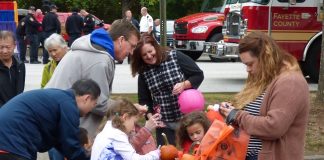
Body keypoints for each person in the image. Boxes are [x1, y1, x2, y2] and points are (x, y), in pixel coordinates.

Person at [218, 31, 310, 160]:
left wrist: (237, 115)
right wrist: (230, 110)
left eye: (250, 64)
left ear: (265, 57)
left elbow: (274, 127)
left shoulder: (291, 82)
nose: (248, 70)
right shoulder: (263, 77)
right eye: (245, 65)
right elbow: (252, 115)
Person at [45, 19, 140, 139]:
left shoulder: (95, 49)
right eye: (132, 46)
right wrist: (129, 108)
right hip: (67, 131)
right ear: (121, 40)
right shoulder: (100, 59)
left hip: (56, 124)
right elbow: (98, 103)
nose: (132, 52)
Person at [130, 34, 204, 146]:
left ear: (156, 47)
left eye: (150, 51)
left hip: (188, 120)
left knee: (194, 152)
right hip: (164, 123)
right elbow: (144, 100)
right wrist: (151, 117)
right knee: (166, 154)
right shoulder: (144, 73)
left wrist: (184, 85)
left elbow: (198, 75)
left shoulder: (175, 56)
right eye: (144, 55)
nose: (149, 56)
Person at [0, 79, 101, 160]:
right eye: (94, 104)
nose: (92, 109)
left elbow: (62, 142)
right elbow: (70, 142)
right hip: (12, 142)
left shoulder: (58, 98)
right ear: (87, 98)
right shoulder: (69, 104)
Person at [91, 98, 160, 160]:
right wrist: (156, 154)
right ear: (125, 117)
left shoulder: (104, 133)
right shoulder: (117, 135)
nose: (133, 127)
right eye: (133, 122)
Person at [0, 30, 25, 107]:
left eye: (8, 47)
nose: (4, 51)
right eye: (1, 47)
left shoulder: (20, 66)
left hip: (15, 109)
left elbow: (20, 92)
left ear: (14, 46)